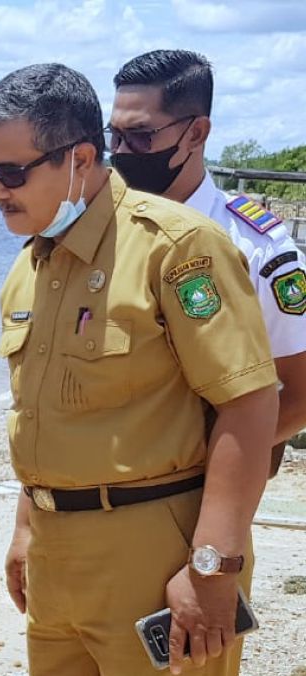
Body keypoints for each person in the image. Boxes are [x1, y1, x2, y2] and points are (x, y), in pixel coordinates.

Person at [0, 63, 277, 676]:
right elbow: (43, 415)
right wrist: (25, 526)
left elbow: (249, 404)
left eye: (12, 171)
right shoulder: (32, 263)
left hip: (155, 551)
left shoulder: (177, 248)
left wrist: (212, 567)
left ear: (80, 159)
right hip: (57, 560)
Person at [110, 49, 306, 473]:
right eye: (114, 136)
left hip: (201, 489)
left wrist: (210, 461)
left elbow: (301, 391)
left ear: (196, 133)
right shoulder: (105, 233)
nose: (122, 152)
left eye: (141, 136)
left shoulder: (257, 249)